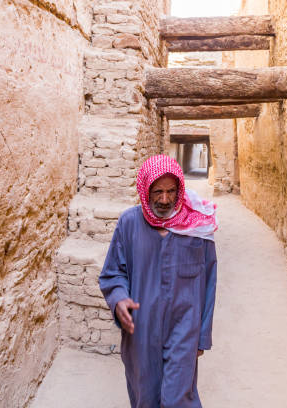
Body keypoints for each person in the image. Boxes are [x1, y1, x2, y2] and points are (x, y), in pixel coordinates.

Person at [99, 155, 218, 408]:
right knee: (145, 398)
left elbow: (209, 281)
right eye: (158, 192)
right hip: (141, 331)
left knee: (178, 400)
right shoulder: (129, 223)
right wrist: (119, 299)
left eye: (171, 191)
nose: (165, 200)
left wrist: (202, 337)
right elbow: (112, 273)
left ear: (180, 190)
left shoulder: (198, 226)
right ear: (145, 190)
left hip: (185, 329)